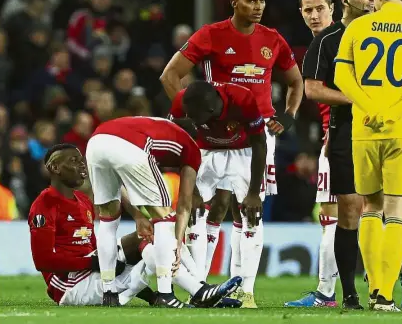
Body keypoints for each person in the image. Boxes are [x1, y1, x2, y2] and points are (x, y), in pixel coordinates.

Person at [160, 0, 303, 307]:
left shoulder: (273, 39)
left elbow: (296, 82)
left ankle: (246, 290)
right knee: (198, 207)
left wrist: (289, 115)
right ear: (234, 2)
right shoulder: (211, 34)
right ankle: (199, 286)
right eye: (251, 1)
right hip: (212, 136)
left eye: (262, 0)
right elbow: (170, 75)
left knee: (248, 210)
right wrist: (190, 114)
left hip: (256, 135)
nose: (258, 7)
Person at [29, 144, 243, 307]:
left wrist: (148, 296)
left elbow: (95, 251)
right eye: (74, 161)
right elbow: (43, 261)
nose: (82, 166)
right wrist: (95, 264)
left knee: (155, 235)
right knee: (151, 239)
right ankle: (200, 291)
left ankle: (196, 291)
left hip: (93, 273)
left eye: (82, 160)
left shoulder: (84, 201)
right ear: (55, 167)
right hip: (69, 286)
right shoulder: (45, 204)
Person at [334, 0, 402, 311]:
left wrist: (369, 106)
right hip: (401, 131)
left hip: (364, 129)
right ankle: (385, 297)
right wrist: (395, 110)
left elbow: (342, 75)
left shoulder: (357, 27)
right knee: (397, 213)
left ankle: (375, 289)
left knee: (370, 208)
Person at [168, 81, 266, 307]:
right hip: (203, 151)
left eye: (195, 117)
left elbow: (260, 143)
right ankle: (199, 287)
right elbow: (176, 142)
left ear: (211, 111)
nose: (191, 120)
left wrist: (253, 192)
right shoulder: (183, 101)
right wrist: (190, 191)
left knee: (252, 214)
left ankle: (247, 292)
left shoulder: (243, 100)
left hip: (243, 151)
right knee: (194, 212)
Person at [85, 116, 201, 307]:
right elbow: (185, 205)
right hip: (131, 147)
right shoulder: (191, 146)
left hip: (96, 140)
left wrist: (139, 214)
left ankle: (109, 292)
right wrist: (177, 243)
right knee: (164, 216)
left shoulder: (153, 125)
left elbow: (125, 175)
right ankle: (165, 294)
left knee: (108, 218)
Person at [284, 0, 338, 308]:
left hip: (341, 139)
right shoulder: (325, 43)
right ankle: (400, 269)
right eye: (308, 10)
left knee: (332, 216)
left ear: (333, 7)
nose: (314, 15)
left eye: (319, 8)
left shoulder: (332, 43)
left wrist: (334, 131)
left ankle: (325, 294)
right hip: (346, 135)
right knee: (357, 215)